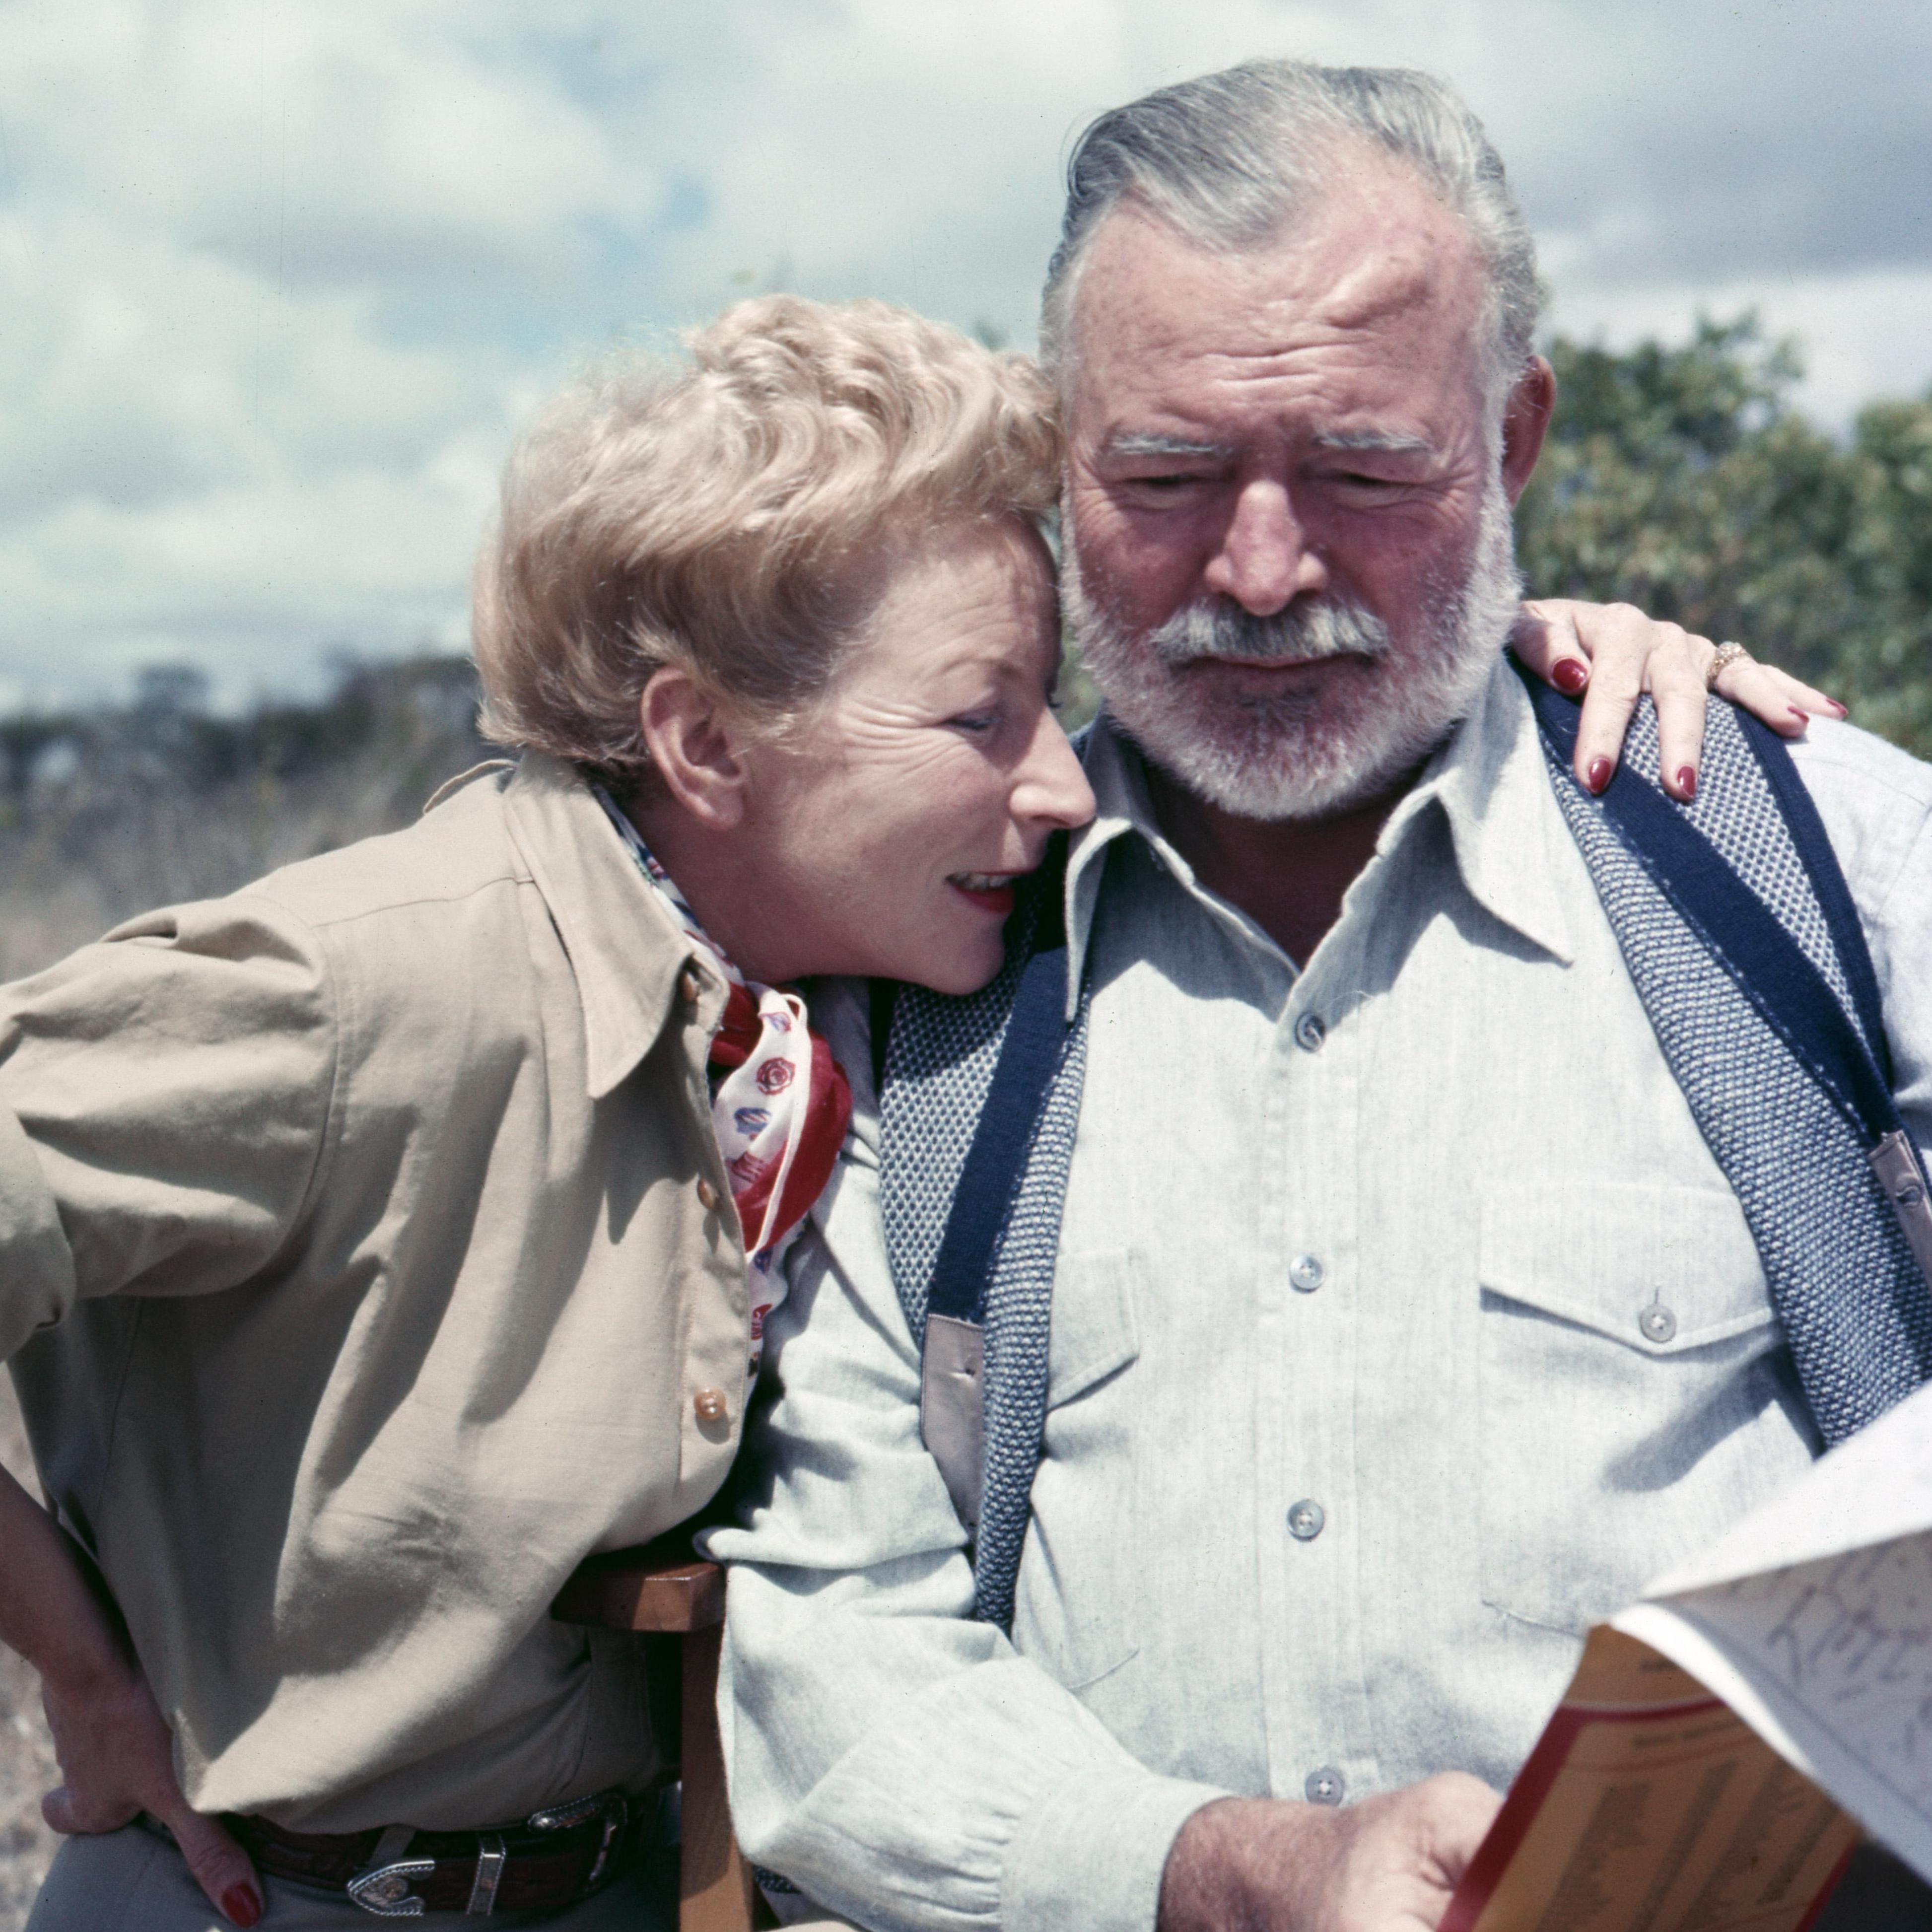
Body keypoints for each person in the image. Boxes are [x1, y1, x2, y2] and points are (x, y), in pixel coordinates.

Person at [0, 294, 1803, 1926]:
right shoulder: (380, 980)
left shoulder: (821, 993)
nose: (1054, 786)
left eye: (1050, 707)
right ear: (704, 746)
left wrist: (1526, 663)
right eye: (976, 716)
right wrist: (80, 1675)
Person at [707, 61, 1932, 1932]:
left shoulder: (1822, 867)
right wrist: (1227, 1873)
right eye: (1166, 475)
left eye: (1364, 474)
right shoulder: (919, 973)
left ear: (1510, 437)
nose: (1261, 572)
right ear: (1053, 460)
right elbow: (832, 1658)